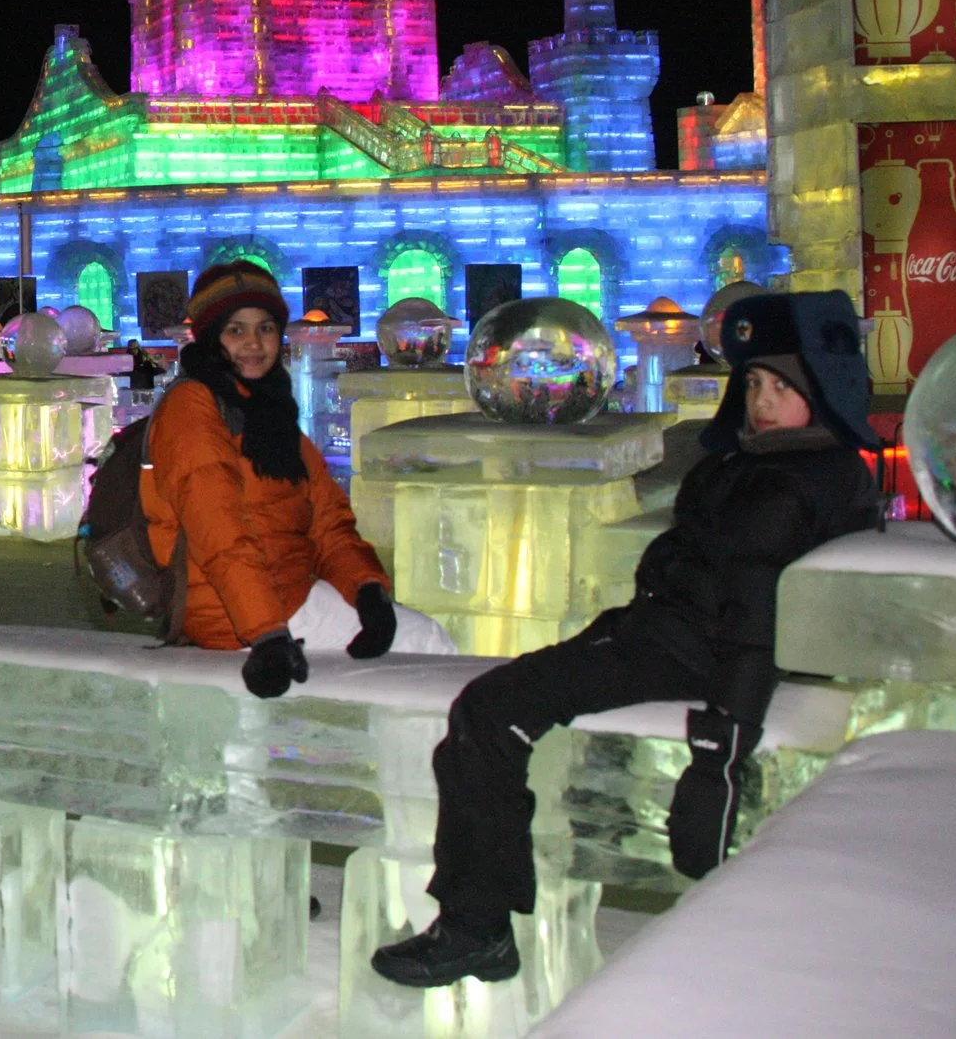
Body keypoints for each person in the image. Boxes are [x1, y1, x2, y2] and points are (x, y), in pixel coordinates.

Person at [372, 289, 882, 987]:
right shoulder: (776, 464)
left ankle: (477, 926)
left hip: (680, 652)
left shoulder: (784, 482)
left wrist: (719, 752)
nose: (762, 401)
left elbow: (753, 621)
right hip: (661, 636)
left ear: (822, 391)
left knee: (488, 713)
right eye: (755, 383)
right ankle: (480, 914)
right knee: (486, 718)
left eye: (782, 387)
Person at [142, 262, 449, 691]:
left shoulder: (268, 409)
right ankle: (429, 758)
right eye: (236, 330)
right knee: (428, 646)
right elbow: (218, 530)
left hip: (284, 595)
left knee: (413, 647)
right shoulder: (192, 407)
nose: (254, 343)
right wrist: (267, 633)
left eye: (265, 328)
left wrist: (366, 589)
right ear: (211, 337)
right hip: (228, 610)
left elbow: (327, 518)